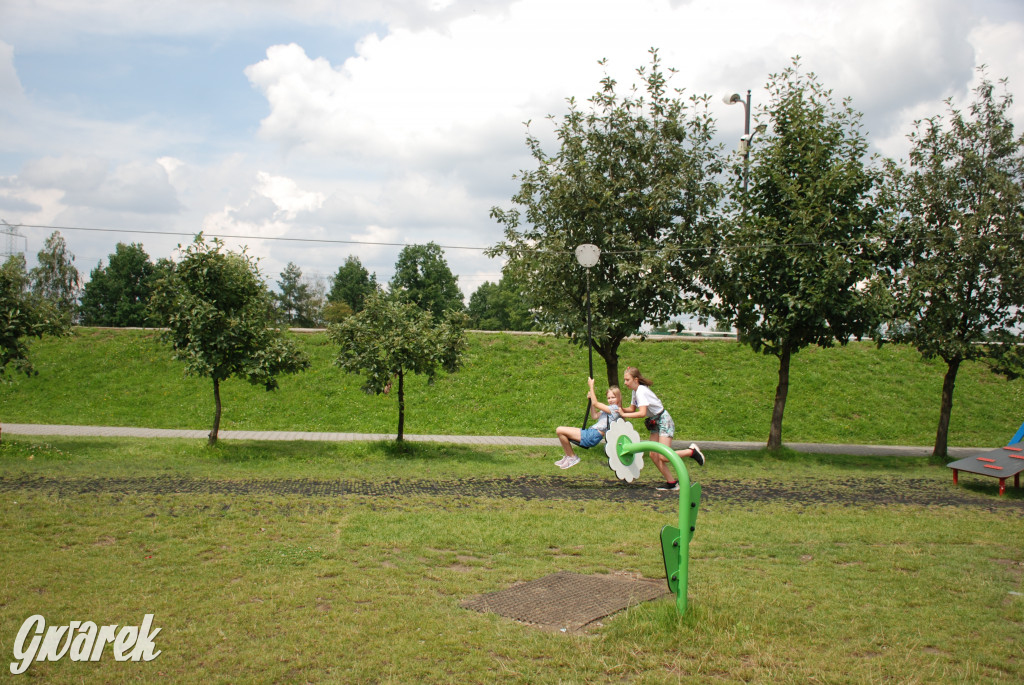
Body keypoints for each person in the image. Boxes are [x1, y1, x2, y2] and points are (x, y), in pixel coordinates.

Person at [618, 366, 705, 491]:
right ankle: (672, 483)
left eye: (627, 380)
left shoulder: (641, 391)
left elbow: (642, 413)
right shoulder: (635, 391)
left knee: (664, 456)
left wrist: (624, 415)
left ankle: (691, 451)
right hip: (655, 421)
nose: (625, 383)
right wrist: (619, 408)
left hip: (663, 420)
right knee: (654, 454)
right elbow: (632, 409)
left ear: (635, 379)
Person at [554, 378, 622, 470]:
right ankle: (569, 456)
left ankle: (572, 457)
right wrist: (590, 402)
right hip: (591, 433)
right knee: (561, 432)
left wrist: (591, 386)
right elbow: (594, 416)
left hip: (593, 435)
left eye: (613, 397)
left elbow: (596, 403)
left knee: (560, 430)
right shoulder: (608, 409)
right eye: (609, 398)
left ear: (619, 397)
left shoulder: (615, 409)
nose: (610, 400)